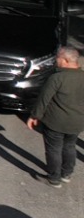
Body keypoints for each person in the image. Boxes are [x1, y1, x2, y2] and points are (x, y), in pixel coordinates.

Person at [23, 46, 84, 186]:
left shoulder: (57, 78)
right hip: (77, 123)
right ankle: (66, 173)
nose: (56, 61)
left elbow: (44, 99)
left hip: (55, 122)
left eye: (58, 58)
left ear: (66, 60)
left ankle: (54, 178)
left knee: (54, 149)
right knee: (70, 146)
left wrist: (34, 116)